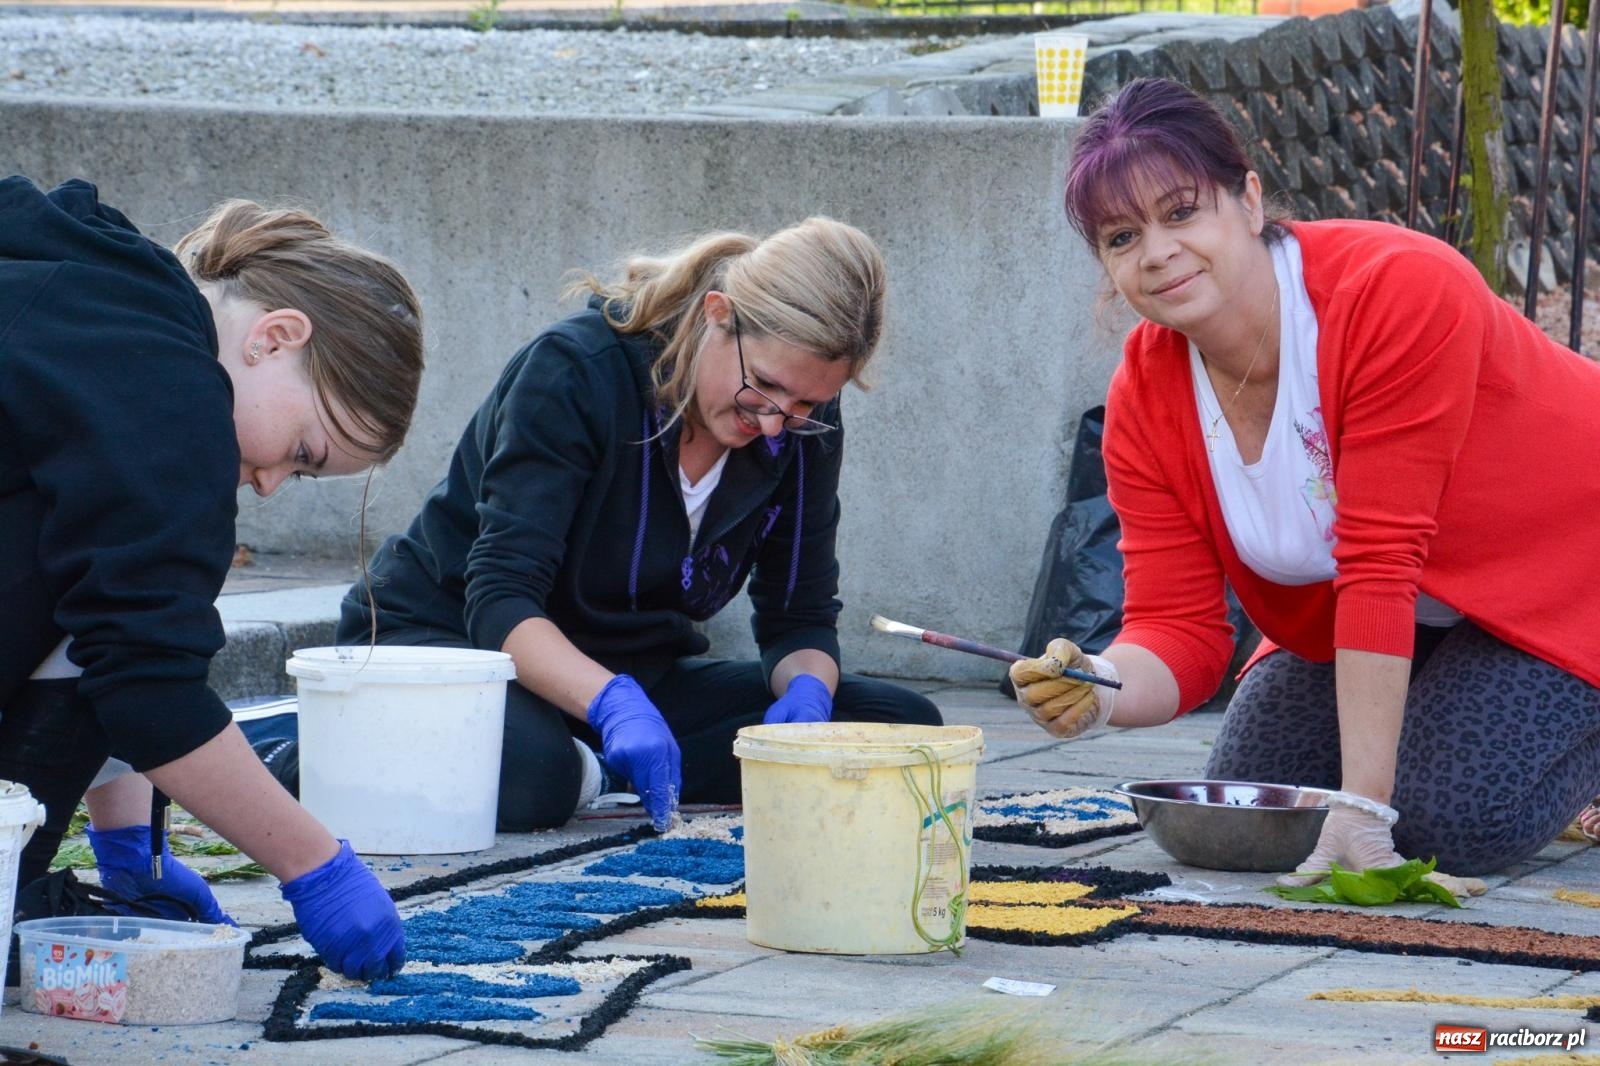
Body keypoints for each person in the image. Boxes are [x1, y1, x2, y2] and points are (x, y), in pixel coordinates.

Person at [1007, 78, 1600, 882]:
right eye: (1121, 237)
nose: (1156, 252)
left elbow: (1379, 562)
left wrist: (1364, 809)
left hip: (1566, 569)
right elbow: (1177, 629)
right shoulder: (1143, 398)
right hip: (1409, 615)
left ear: (1248, 200)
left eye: (1182, 212)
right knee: (1249, 803)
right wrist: (1096, 687)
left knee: (1444, 821)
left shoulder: (1395, 290)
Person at [335, 218, 942, 833]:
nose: (775, 424)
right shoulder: (577, 373)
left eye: (807, 405)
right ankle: (562, 769)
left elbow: (799, 615)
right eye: (762, 386)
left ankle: (595, 774)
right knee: (532, 772)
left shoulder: (798, 425)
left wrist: (808, 695)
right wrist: (612, 704)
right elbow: (499, 599)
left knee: (897, 729)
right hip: (455, 648)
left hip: (627, 676)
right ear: (717, 314)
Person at [0, 175, 421, 979]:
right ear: (276, 337)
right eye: (303, 454)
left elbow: (106, 604)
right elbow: (145, 682)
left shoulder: (100, 294)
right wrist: (313, 864)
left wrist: (129, 843)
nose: (267, 484)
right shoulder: (178, 397)